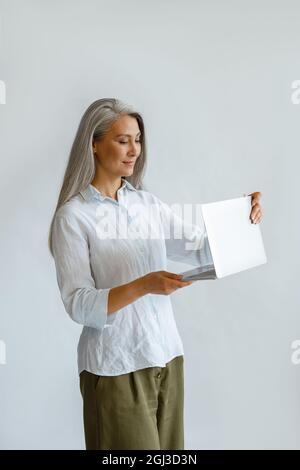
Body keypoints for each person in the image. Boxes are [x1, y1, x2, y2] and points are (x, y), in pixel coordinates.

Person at [48, 98, 263, 450]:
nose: (134, 150)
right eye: (122, 140)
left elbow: (202, 249)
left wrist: (242, 217)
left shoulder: (146, 204)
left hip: (166, 357)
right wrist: (144, 284)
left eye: (138, 139)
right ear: (94, 144)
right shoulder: (73, 217)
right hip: (115, 366)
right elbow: (79, 305)